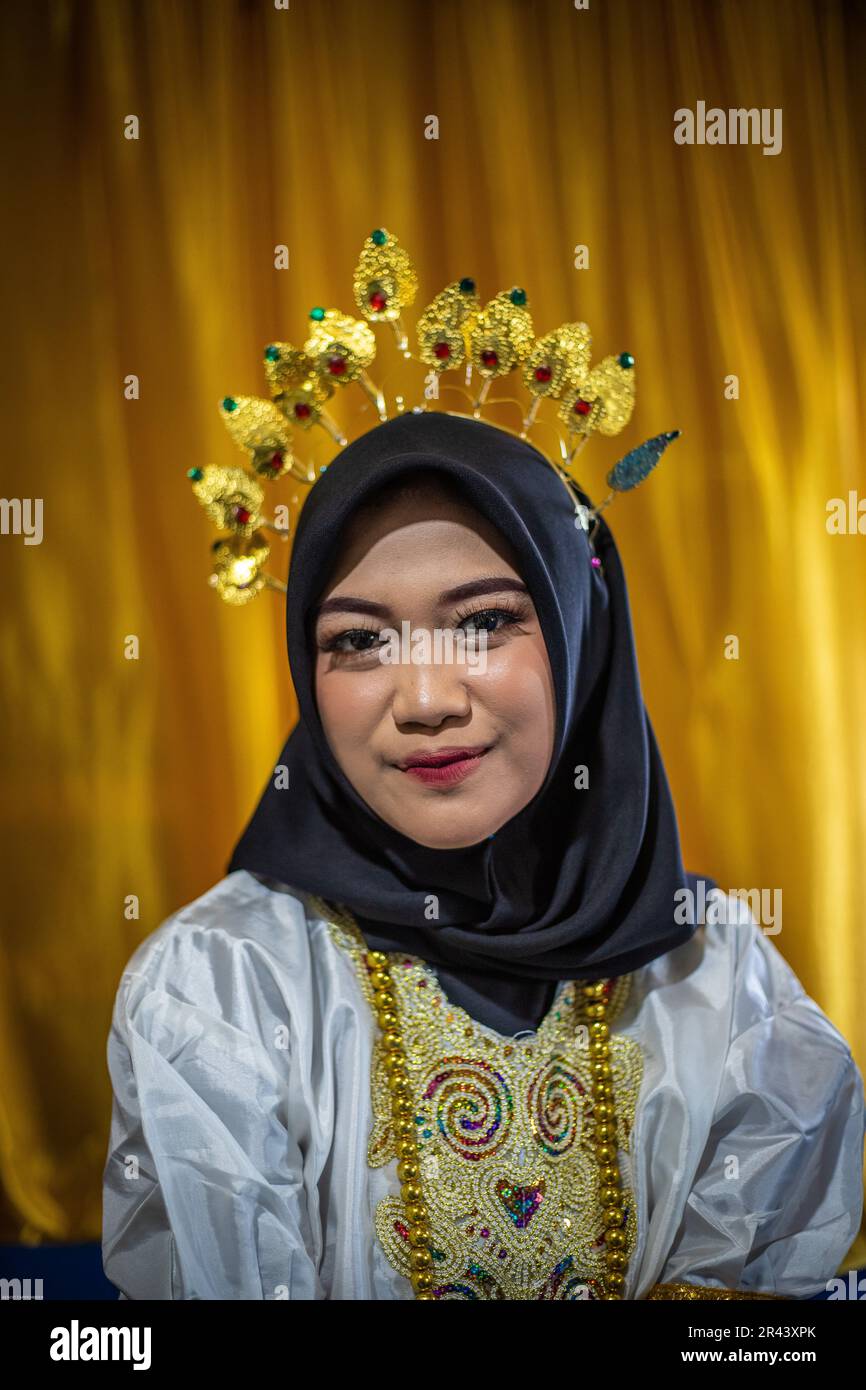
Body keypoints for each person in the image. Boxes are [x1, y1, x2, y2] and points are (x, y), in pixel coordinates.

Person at [102, 409, 865, 1300]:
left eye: (483, 623)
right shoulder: (223, 987)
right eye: (358, 640)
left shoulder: (720, 977)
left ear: (584, 631)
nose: (424, 699)